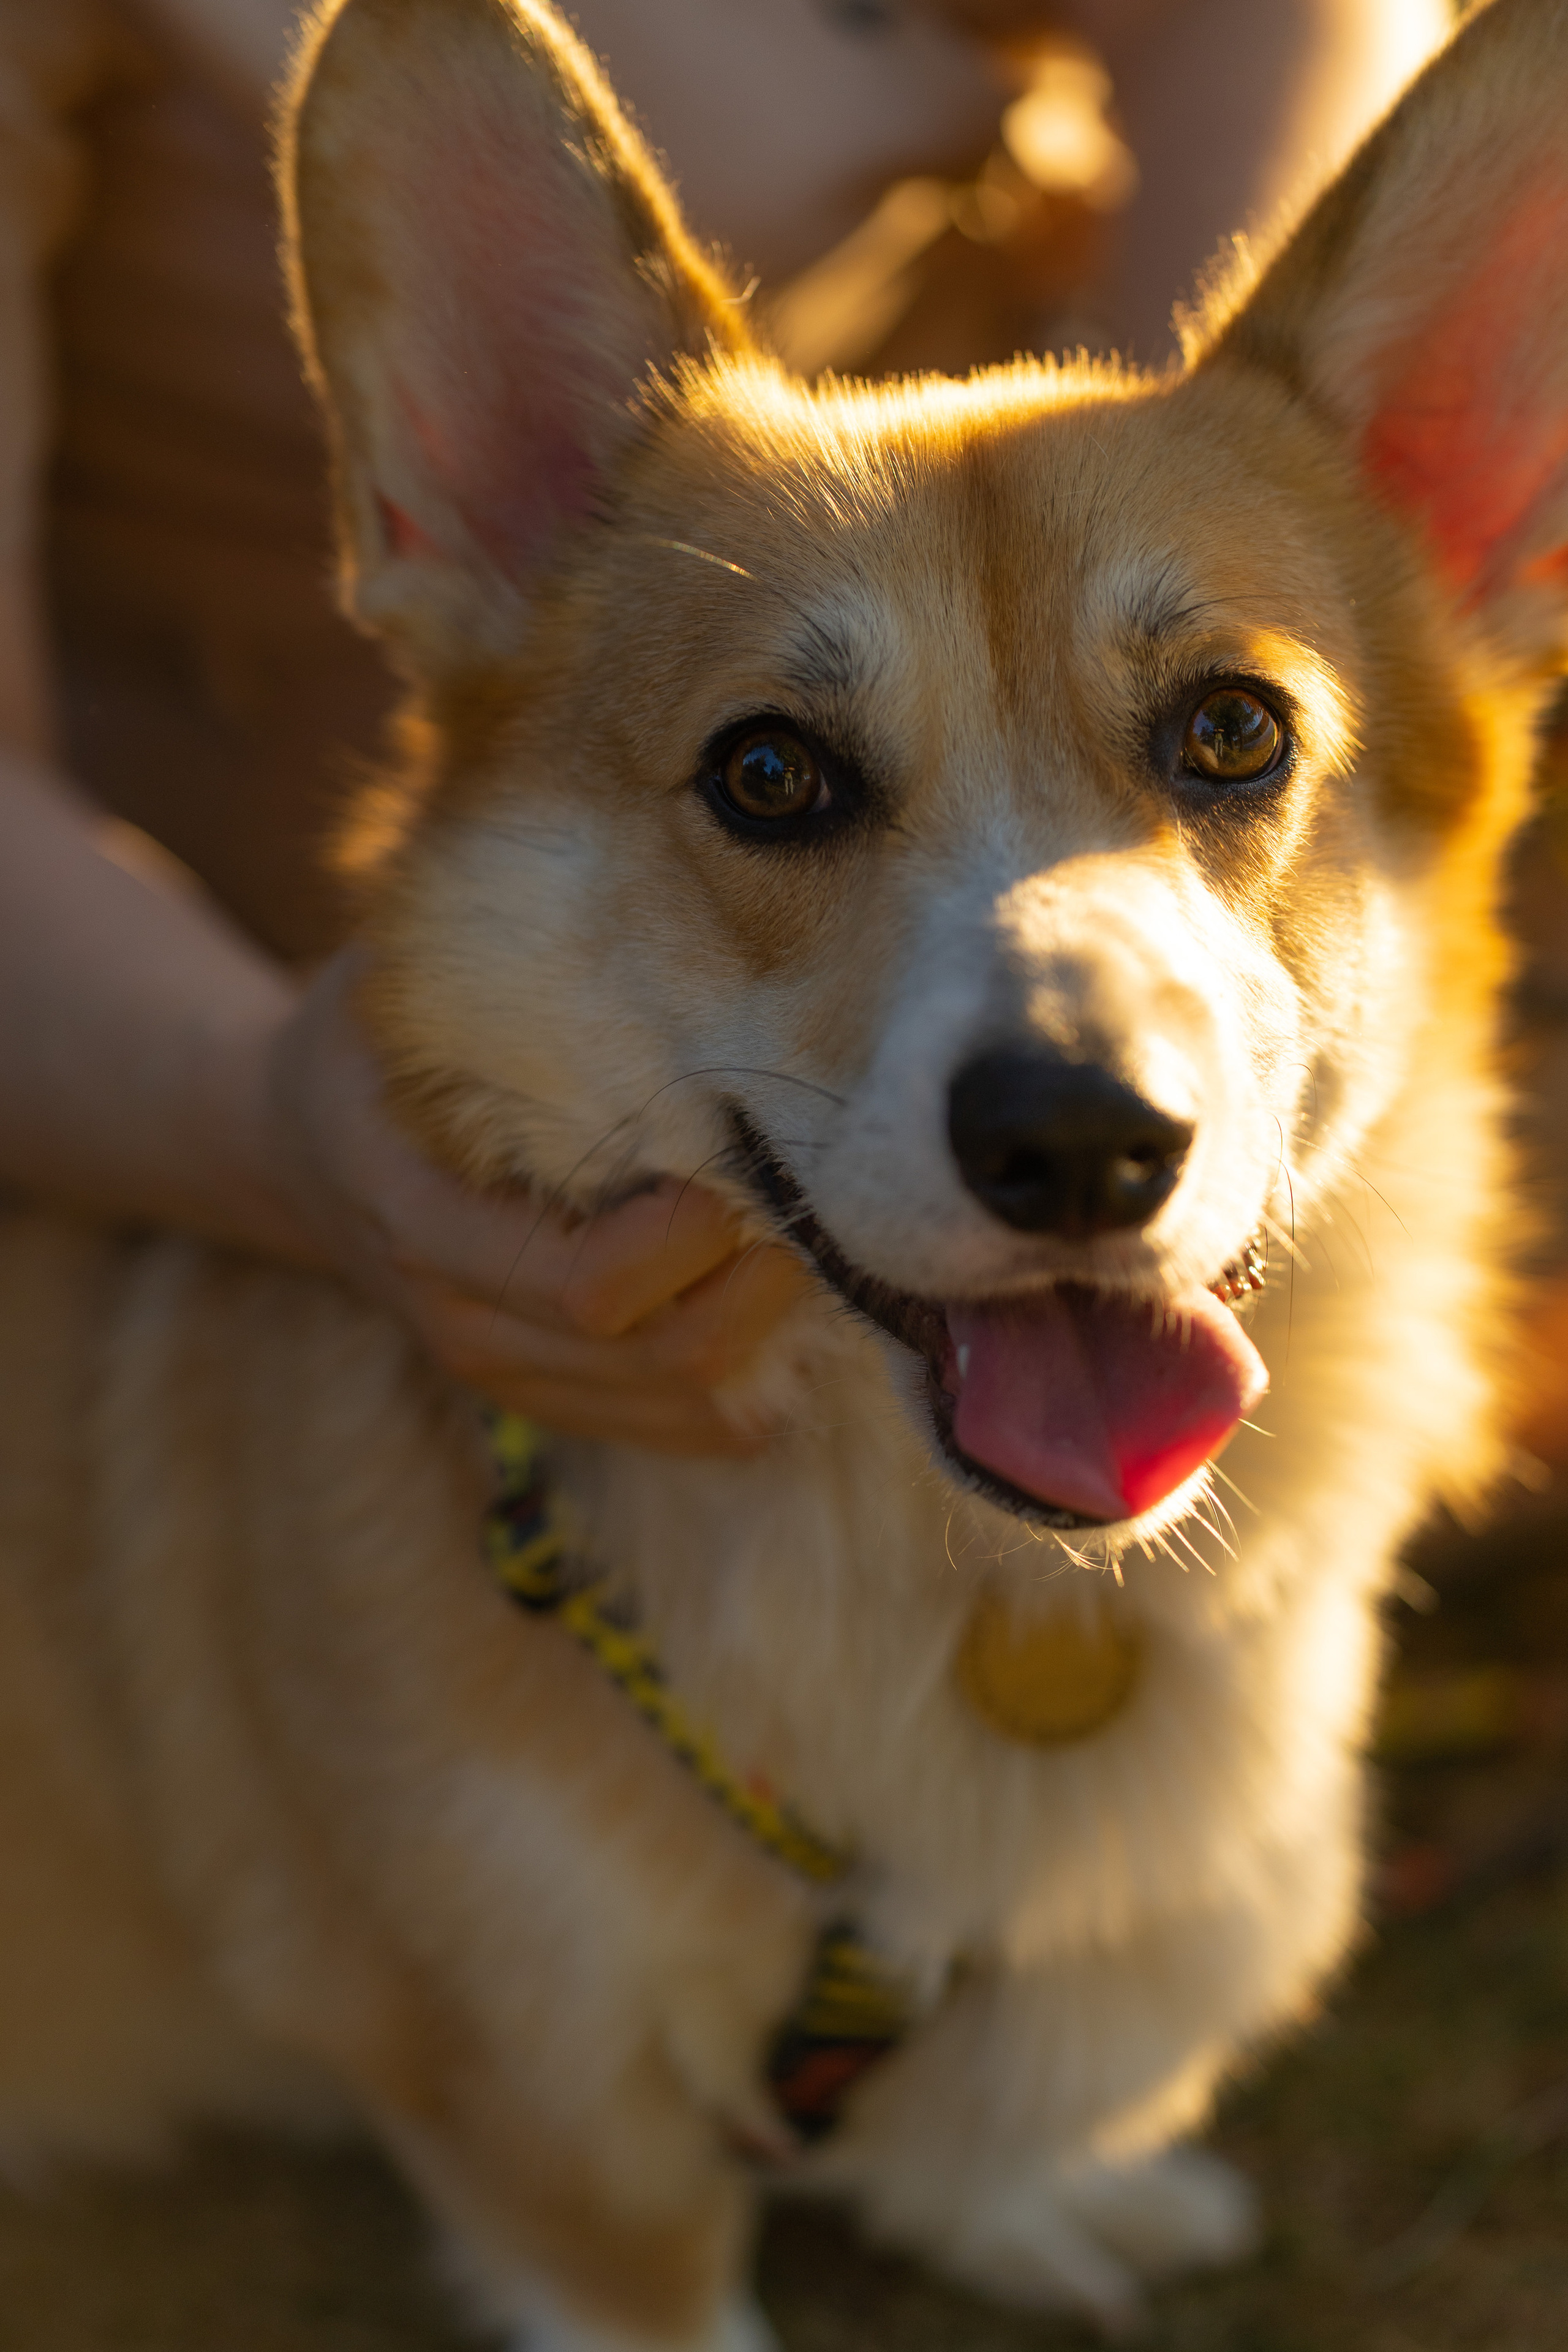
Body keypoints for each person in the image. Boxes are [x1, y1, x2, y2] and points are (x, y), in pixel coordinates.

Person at [0, 0, 1445, 1453]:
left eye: (1223, 740)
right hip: (175, 976)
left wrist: (1223, 492)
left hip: (955, 521)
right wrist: (270, 1124)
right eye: (779, 781)